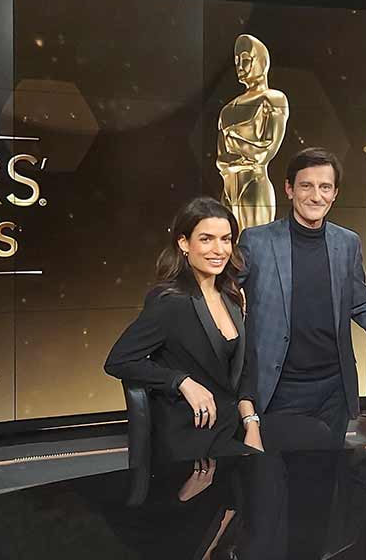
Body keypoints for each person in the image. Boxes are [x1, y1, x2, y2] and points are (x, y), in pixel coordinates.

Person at [237, 147, 366, 445]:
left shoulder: (347, 242)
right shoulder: (257, 241)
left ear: (335, 194)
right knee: (280, 471)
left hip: (333, 389)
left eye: (325, 187)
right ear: (289, 189)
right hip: (279, 387)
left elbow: (362, 303)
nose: (316, 196)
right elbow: (224, 297)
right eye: (306, 186)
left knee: (328, 471)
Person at [105, 197, 263, 461]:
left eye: (226, 239)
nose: (219, 250)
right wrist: (181, 381)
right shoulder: (169, 302)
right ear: (184, 243)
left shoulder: (233, 296)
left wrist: (251, 422)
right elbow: (119, 361)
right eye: (206, 239)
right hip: (190, 438)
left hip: (232, 429)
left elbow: (244, 368)